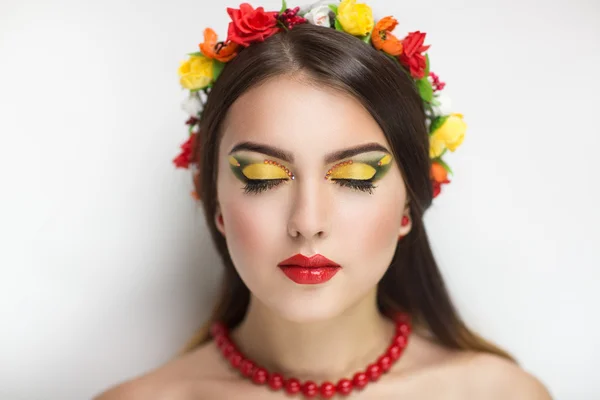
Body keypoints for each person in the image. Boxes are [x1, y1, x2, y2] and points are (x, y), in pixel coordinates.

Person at [95, 1, 552, 398]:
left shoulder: (502, 394)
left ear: (409, 206)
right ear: (215, 201)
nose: (308, 221)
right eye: (261, 176)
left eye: (355, 177)